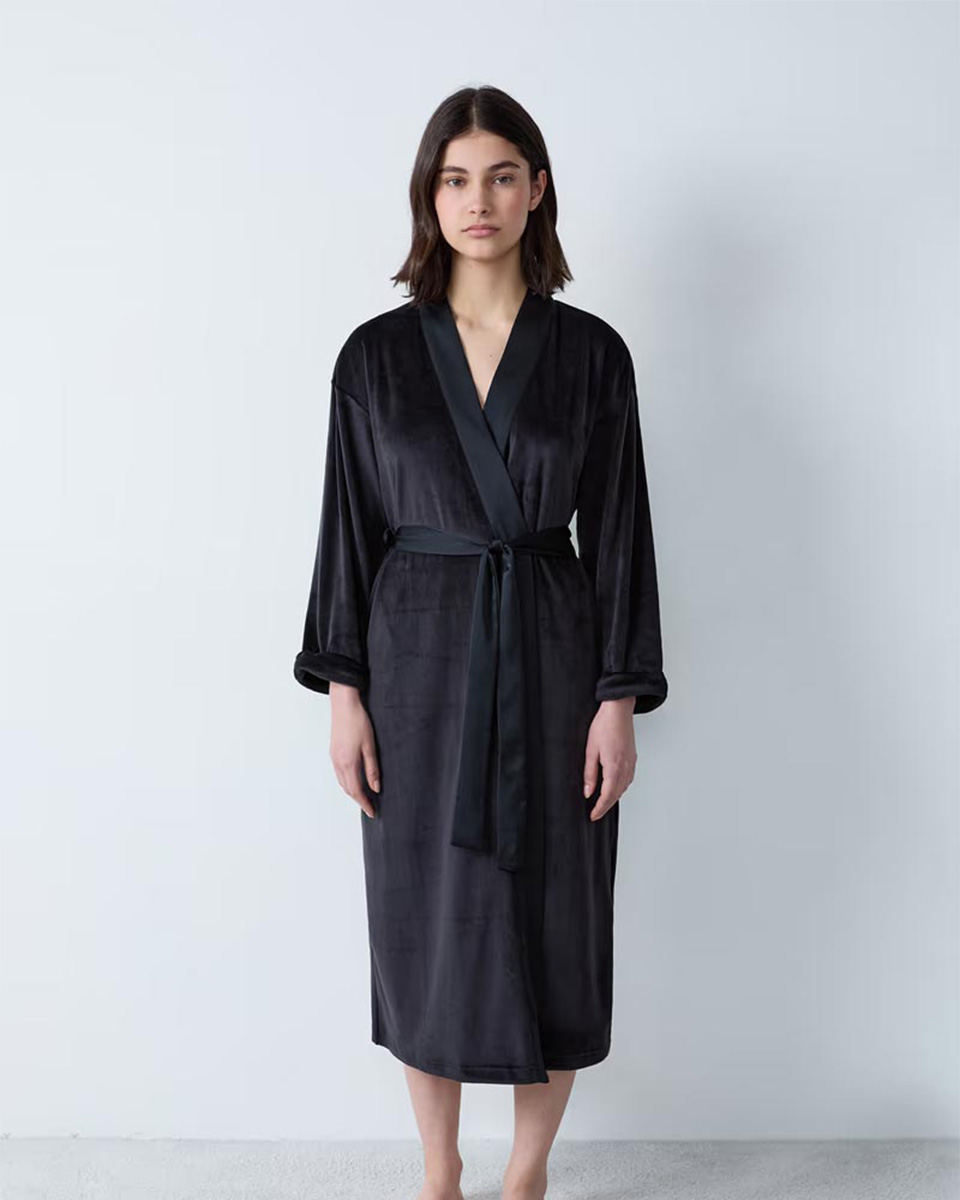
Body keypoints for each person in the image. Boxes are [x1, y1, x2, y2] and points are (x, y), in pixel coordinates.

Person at [293, 84, 668, 1200]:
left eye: (502, 175)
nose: (479, 200)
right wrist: (345, 693)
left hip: (554, 663)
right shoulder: (374, 358)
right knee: (425, 917)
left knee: (558, 915)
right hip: (415, 670)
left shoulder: (592, 354)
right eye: (455, 179)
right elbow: (347, 531)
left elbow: (623, 534)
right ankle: (440, 1172)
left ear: (537, 189)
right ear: (428, 194)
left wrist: (617, 698)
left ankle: (527, 1175)